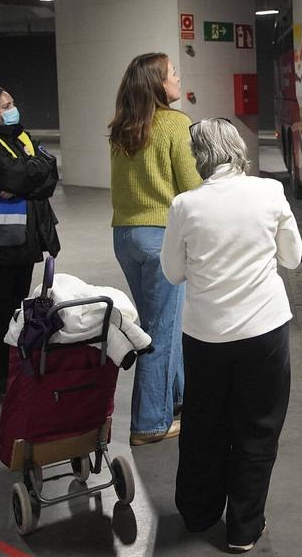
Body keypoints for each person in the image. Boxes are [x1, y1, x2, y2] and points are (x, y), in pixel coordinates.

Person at [160, 118, 302, 554]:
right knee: (258, 428)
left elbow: (173, 272)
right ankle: (244, 528)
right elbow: (292, 258)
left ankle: (199, 514)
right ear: (237, 149)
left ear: (198, 157)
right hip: (264, 329)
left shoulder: (185, 205)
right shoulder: (269, 192)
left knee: (203, 425)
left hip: (206, 335)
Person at [109, 53, 201, 446]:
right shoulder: (176, 124)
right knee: (162, 331)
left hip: (126, 237)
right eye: (172, 73)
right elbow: (193, 188)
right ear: (157, 84)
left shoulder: (123, 128)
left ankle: (176, 400)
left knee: (159, 324)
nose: (178, 78)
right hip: (161, 239)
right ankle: (149, 424)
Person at [0, 87, 60, 396]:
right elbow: (15, 174)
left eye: (12, 103)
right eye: (5, 106)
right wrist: (26, 177)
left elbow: (49, 171)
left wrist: (21, 183)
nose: (12, 108)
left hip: (23, 239)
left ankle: (14, 369)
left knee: (18, 308)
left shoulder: (20, 136)